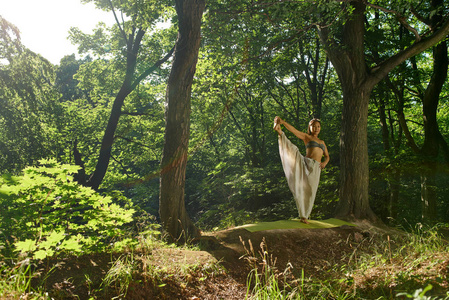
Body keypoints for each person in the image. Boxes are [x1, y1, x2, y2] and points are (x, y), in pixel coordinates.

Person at [273, 116, 330, 224]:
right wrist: (283, 122)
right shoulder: (307, 137)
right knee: (294, 150)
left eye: (318, 126)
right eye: (314, 126)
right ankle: (280, 132)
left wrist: (324, 163)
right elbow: (294, 131)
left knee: (311, 192)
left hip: (316, 169)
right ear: (310, 127)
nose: (316, 128)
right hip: (306, 164)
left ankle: (306, 216)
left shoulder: (322, 142)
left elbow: (327, 156)